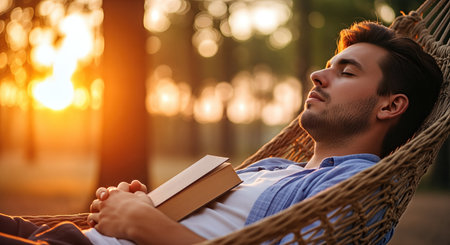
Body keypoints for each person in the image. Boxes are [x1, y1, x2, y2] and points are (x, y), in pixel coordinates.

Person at [0, 21, 443, 245]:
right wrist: (135, 204)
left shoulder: (355, 191)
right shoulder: (269, 169)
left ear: (390, 105)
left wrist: (143, 224)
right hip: (63, 235)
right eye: (326, 66)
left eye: (345, 72)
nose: (316, 76)